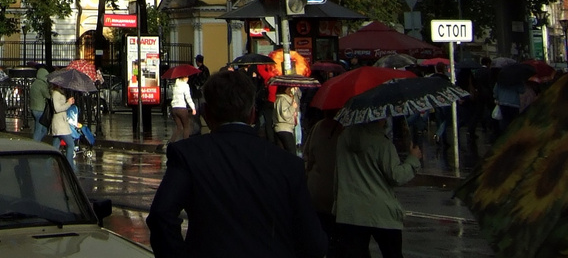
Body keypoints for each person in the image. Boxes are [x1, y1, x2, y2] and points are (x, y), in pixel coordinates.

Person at [148, 69, 326, 258]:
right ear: (252, 114)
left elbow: (161, 216)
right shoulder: (287, 164)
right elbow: (313, 242)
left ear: (207, 114)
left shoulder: (189, 155)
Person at [332, 120, 421, 258]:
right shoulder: (382, 143)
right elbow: (396, 176)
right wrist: (413, 160)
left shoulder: (343, 138)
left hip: (350, 212)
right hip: (381, 212)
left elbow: (339, 175)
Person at [303, 116, 343, 243]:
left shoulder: (318, 127)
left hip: (317, 190)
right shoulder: (347, 130)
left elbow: (308, 157)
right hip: (338, 192)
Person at [50, 86, 75, 166]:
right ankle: (69, 166)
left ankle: (49, 165)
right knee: (70, 144)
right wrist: (68, 103)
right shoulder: (56, 93)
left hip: (61, 122)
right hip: (60, 123)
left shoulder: (59, 92)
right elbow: (57, 108)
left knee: (55, 147)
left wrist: (68, 102)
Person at [274, 85, 300, 154]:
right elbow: (285, 115)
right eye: (289, 88)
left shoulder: (279, 99)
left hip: (279, 128)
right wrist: (292, 107)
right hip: (285, 129)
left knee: (282, 154)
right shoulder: (283, 99)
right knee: (292, 153)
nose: (290, 90)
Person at [169, 73, 196, 140]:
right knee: (186, 127)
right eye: (186, 76)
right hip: (182, 108)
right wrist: (193, 108)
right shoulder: (185, 85)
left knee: (179, 127)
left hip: (174, 109)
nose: (188, 78)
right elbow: (188, 98)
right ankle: (185, 143)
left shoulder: (175, 86)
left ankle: (171, 142)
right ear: (183, 78)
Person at [28, 66, 51, 142]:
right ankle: (35, 144)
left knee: (40, 128)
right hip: (40, 109)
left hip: (33, 108)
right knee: (40, 129)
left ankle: (37, 142)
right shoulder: (42, 84)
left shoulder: (34, 84)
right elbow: (48, 96)